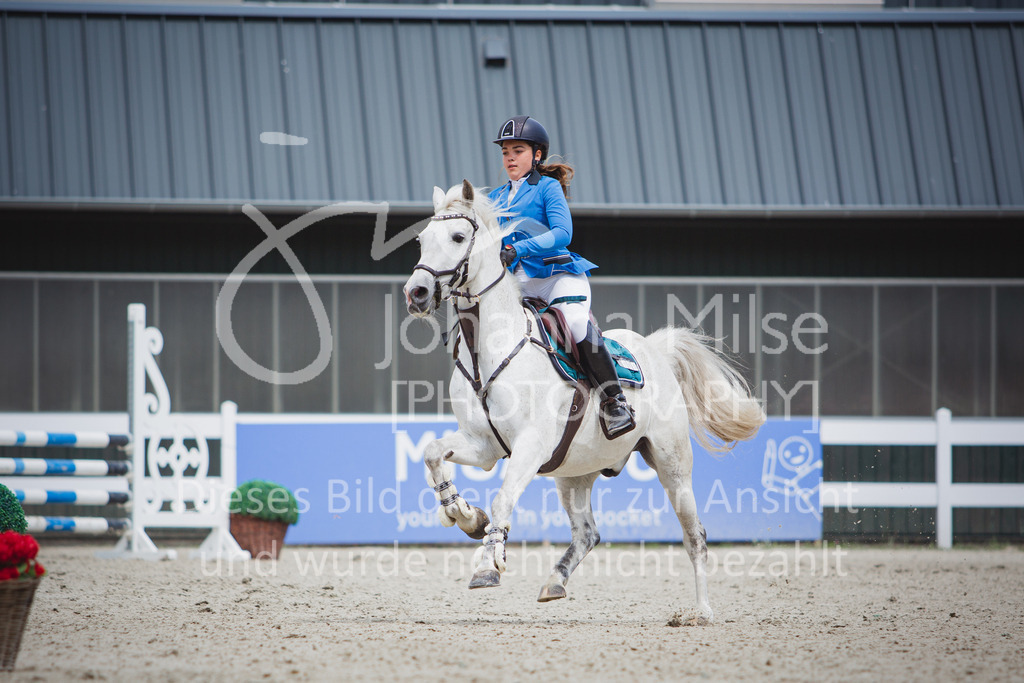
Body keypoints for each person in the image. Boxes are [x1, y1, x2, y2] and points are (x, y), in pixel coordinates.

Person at [488, 115, 635, 439]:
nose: (509, 157)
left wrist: (521, 249)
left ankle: (615, 401)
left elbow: (562, 232)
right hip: (517, 284)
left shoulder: (547, 188)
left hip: (558, 276)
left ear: (537, 155)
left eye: (518, 150)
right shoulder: (495, 198)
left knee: (575, 321)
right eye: (505, 152)